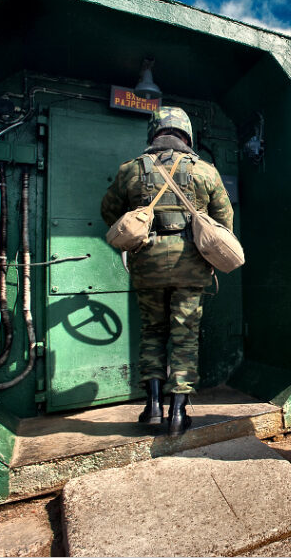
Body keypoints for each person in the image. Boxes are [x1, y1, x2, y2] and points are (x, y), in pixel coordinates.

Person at [101, 106, 233, 436]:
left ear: (154, 133)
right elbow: (225, 222)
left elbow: (109, 213)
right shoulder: (205, 171)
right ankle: (178, 411)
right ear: (187, 134)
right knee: (185, 335)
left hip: (147, 263)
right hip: (191, 265)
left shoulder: (130, 170)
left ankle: (153, 406)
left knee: (152, 332)